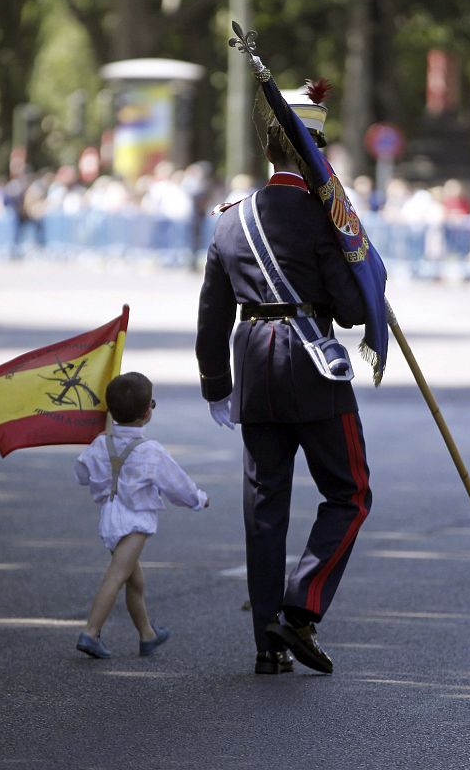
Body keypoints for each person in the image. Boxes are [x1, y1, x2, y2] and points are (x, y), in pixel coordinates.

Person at [196, 88, 372, 675]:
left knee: (265, 510)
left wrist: (215, 383)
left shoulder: (229, 220)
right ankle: (300, 608)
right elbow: (348, 311)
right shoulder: (324, 215)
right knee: (350, 493)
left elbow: (212, 314)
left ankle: (267, 648)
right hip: (311, 365)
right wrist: (364, 269)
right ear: (314, 150)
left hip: (255, 370)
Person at [74, 371, 209, 659]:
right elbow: (178, 486)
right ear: (147, 412)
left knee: (135, 580)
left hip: (110, 518)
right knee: (116, 576)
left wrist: (97, 445)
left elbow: (82, 474)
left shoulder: (101, 443)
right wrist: (199, 499)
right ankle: (90, 632)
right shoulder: (151, 451)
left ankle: (147, 633)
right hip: (134, 523)